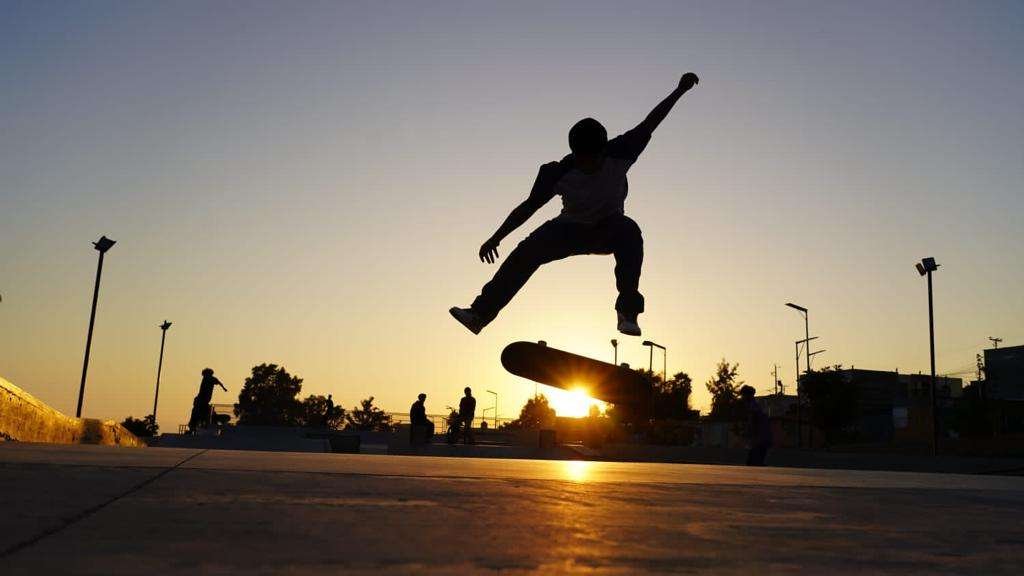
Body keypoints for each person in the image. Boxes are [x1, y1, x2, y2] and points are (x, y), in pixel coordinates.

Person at [450, 73, 700, 337]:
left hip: (608, 227)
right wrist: (496, 237)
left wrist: (680, 90)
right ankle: (479, 314)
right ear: (573, 154)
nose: (589, 166)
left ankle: (627, 312)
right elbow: (528, 207)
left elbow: (652, 122)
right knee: (525, 253)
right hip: (568, 229)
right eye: (582, 160)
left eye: (595, 160)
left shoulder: (622, 150)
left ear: (604, 149)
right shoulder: (557, 172)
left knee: (630, 231)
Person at [740, 385, 772, 466]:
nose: (742, 397)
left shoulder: (753, 407)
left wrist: (746, 433)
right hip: (763, 438)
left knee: (753, 462)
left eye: (743, 395)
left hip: (760, 439)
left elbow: (752, 423)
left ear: (747, 395)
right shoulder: (756, 405)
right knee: (756, 462)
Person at [188, 368, 227, 434]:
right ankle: (197, 424)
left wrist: (223, 388)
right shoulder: (209, 379)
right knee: (197, 411)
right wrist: (223, 388)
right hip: (202, 398)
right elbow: (219, 382)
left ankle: (201, 423)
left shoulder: (209, 378)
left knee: (199, 410)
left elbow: (219, 382)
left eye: (205, 375)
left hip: (203, 398)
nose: (204, 376)